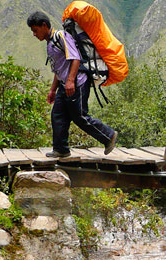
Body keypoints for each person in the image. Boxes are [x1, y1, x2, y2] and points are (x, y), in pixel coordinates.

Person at [27, 11, 117, 158]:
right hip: (65, 84)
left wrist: (70, 81)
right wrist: (52, 90)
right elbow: (58, 69)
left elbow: (75, 58)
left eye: (35, 30)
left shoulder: (61, 36)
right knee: (58, 115)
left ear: (44, 25)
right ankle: (61, 150)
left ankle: (109, 135)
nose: (34, 34)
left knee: (80, 116)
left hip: (78, 83)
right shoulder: (50, 44)